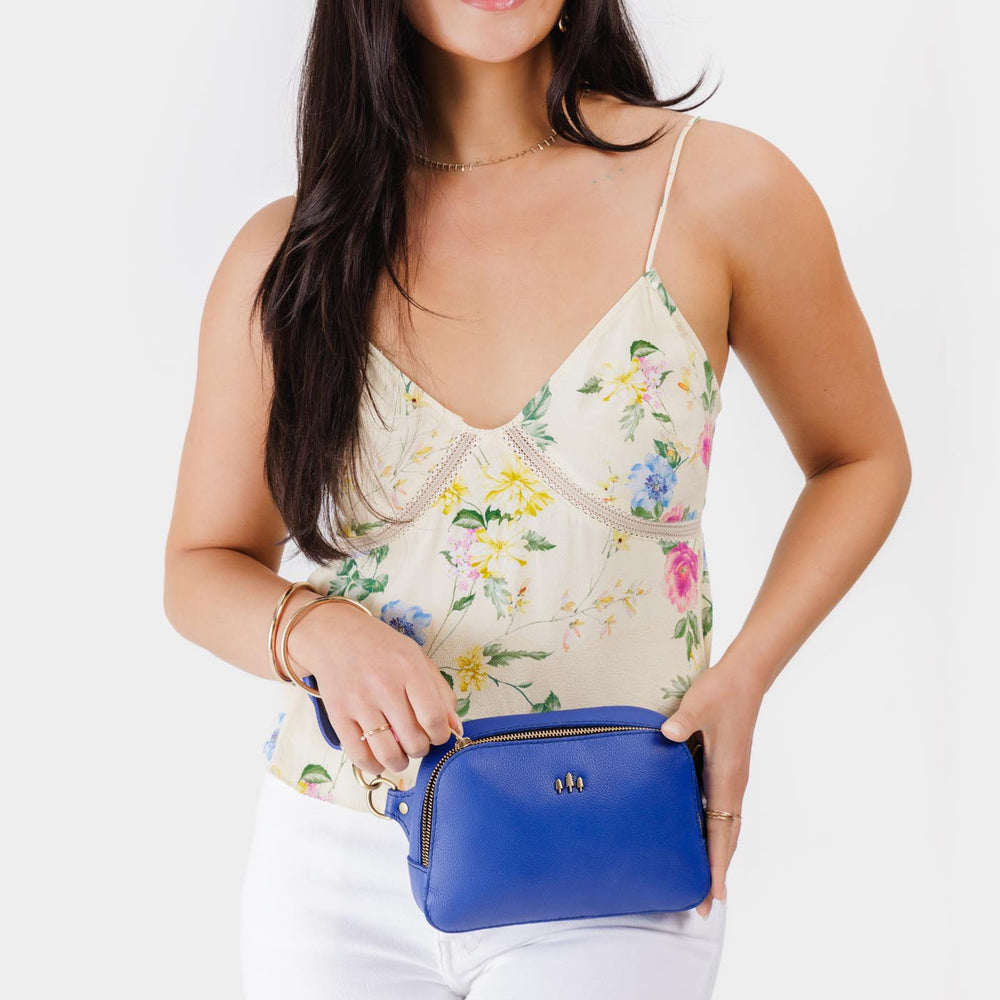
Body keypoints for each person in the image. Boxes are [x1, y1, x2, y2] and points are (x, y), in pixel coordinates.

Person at [162, 1, 911, 997]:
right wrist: (317, 633)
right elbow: (200, 564)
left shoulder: (715, 188)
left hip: (609, 836)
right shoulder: (293, 250)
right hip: (337, 852)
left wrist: (746, 675)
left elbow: (861, 456)